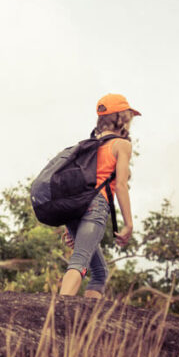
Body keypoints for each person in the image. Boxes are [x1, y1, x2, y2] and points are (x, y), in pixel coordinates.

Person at [58, 93, 138, 298]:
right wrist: (128, 224)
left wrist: (70, 226)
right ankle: (58, 311)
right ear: (122, 119)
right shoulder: (122, 145)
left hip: (75, 207)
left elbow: (73, 183)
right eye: (129, 118)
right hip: (96, 206)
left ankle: (87, 326)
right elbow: (120, 185)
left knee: (100, 273)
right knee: (80, 260)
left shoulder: (87, 145)